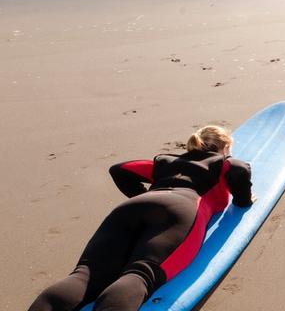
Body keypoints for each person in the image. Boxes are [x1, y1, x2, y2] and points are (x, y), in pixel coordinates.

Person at [30, 125, 255, 310]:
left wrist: (145, 196)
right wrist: (243, 200)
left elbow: (119, 169)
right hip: (182, 209)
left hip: (130, 208)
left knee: (86, 274)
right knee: (141, 274)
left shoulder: (165, 162)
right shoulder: (222, 163)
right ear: (225, 147)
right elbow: (240, 170)